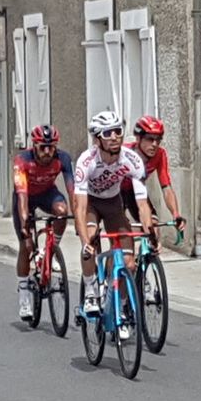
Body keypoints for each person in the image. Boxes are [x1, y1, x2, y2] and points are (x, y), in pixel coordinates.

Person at [73, 111, 153, 316]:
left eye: (118, 131)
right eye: (108, 133)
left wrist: (149, 230)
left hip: (113, 204)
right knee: (90, 239)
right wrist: (85, 243)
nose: (115, 137)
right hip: (91, 204)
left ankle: (122, 306)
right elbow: (79, 208)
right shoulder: (86, 161)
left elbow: (142, 204)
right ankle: (91, 290)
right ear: (97, 138)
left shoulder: (132, 159)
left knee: (129, 263)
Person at [12, 124, 75, 319]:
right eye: (42, 147)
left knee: (62, 211)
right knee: (26, 245)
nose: (48, 152)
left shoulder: (62, 158)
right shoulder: (22, 160)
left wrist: (79, 217)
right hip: (26, 197)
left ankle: (51, 250)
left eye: (52, 147)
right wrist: (25, 228)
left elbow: (72, 191)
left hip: (48, 194)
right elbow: (22, 197)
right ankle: (24, 295)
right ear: (34, 145)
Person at [122, 115, 187, 232]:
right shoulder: (124, 152)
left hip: (136, 192)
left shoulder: (160, 155)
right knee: (120, 231)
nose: (155, 144)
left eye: (158, 139)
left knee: (153, 227)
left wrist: (175, 214)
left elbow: (166, 188)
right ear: (138, 138)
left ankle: (150, 247)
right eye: (150, 139)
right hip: (115, 193)